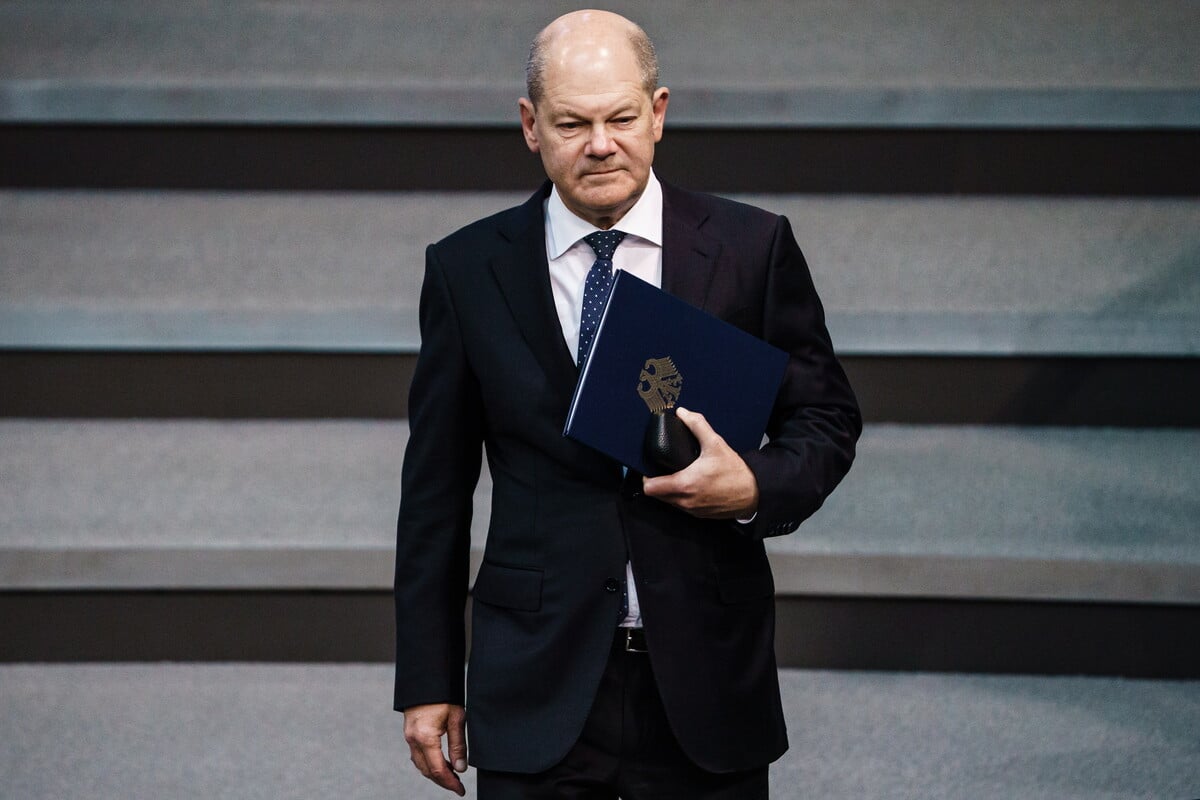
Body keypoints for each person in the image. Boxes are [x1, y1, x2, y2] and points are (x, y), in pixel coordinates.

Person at [394, 9, 861, 799]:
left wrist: (753, 486)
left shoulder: (751, 248)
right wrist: (428, 677)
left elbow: (826, 418)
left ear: (659, 113)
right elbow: (435, 491)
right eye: (572, 123)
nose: (600, 144)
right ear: (530, 125)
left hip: (706, 676)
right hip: (535, 678)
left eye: (620, 118)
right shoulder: (467, 269)